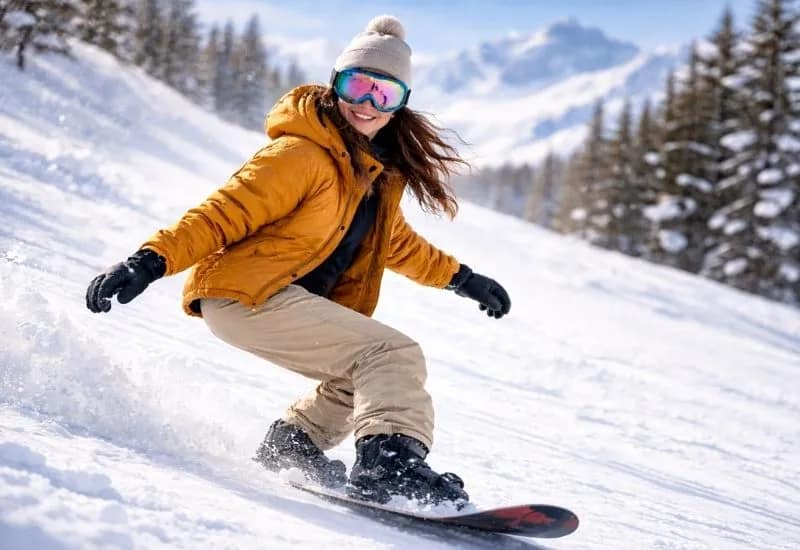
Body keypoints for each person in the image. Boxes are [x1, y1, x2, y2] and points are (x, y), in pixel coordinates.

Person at [85, 15, 510, 507]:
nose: (367, 105)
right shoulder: (300, 155)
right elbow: (222, 214)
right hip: (244, 295)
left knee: (363, 370)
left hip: (274, 297)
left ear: (400, 106)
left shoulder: (369, 173)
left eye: (384, 94)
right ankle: (389, 467)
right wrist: (149, 261)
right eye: (357, 86)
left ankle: (294, 442)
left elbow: (398, 245)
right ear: (335, 86)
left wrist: (463, 279)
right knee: (392, 354)